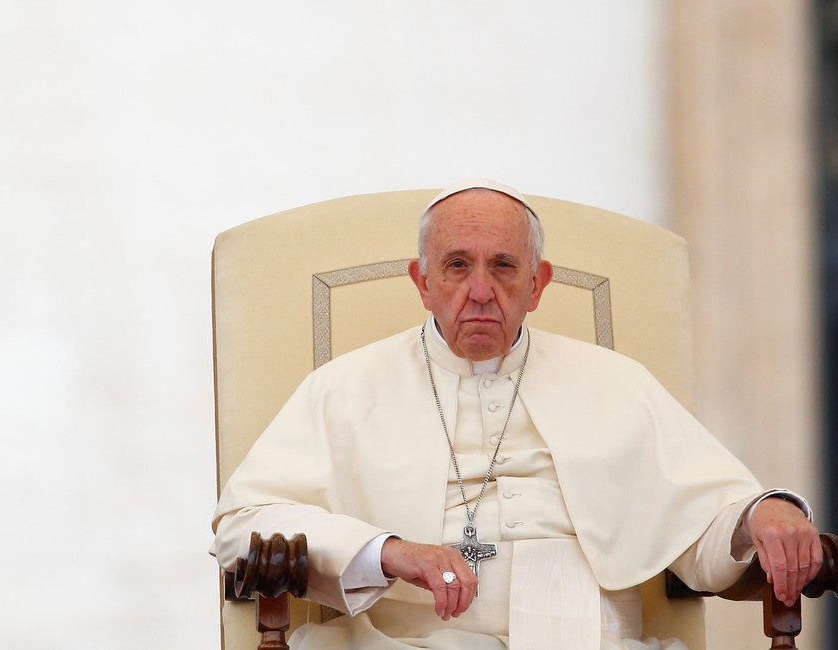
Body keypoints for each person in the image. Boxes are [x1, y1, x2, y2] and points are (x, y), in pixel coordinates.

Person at [212, 179, 822, 649]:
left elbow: (702, 522)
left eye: (503, 267)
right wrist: (388, 551)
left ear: (538, 284)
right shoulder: (344, 389)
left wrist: (762, 511)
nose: (481, 291)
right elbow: (242, 526)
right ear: (422, 283)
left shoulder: (616, 383)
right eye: (456, 266)